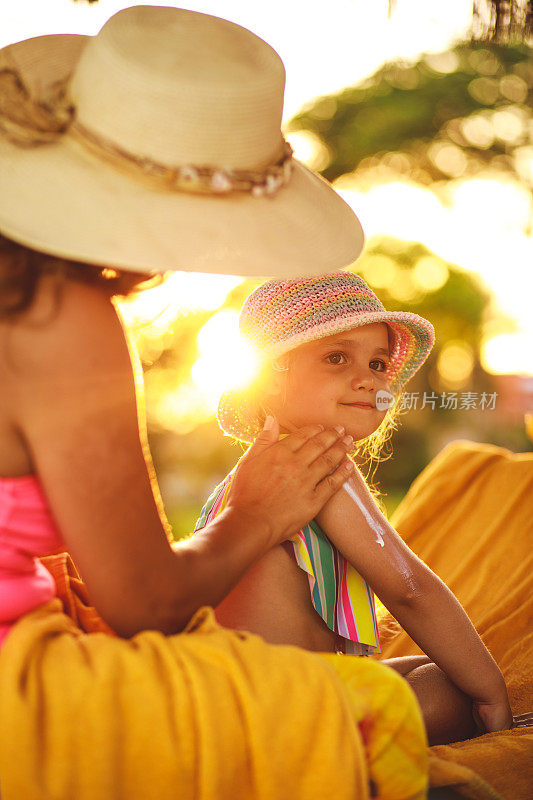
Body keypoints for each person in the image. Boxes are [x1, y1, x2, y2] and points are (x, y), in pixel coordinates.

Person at [0, 6, 430, 800]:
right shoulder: (53, 314)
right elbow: (145, 605)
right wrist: (254, 517)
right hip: (19, 696)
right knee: (374, 706)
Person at [196, 271, 530, 747]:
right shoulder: (318, 464)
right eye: (337, 357)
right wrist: (493, 697)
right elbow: (410, 587)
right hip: (280, 714)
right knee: (450, 694)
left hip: (235, 695)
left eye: (377, 364)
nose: (367, 379)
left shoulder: (257, 474)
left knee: (425, 669)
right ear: (269, 382)